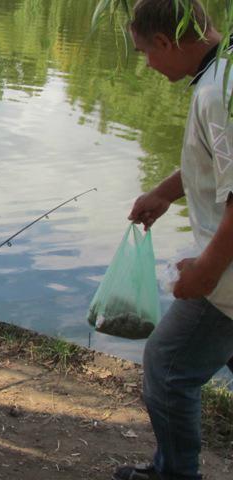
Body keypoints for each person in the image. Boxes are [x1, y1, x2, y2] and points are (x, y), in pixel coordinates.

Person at [113, 1, 233, 479]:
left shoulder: (217, 94)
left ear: (165, 42)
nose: (147, 64)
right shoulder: (220, 73)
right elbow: (215, 164)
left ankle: (176, 475)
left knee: (167, 369)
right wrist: (165, 192)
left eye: (146, 52)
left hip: (224, 281)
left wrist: (203, 274)